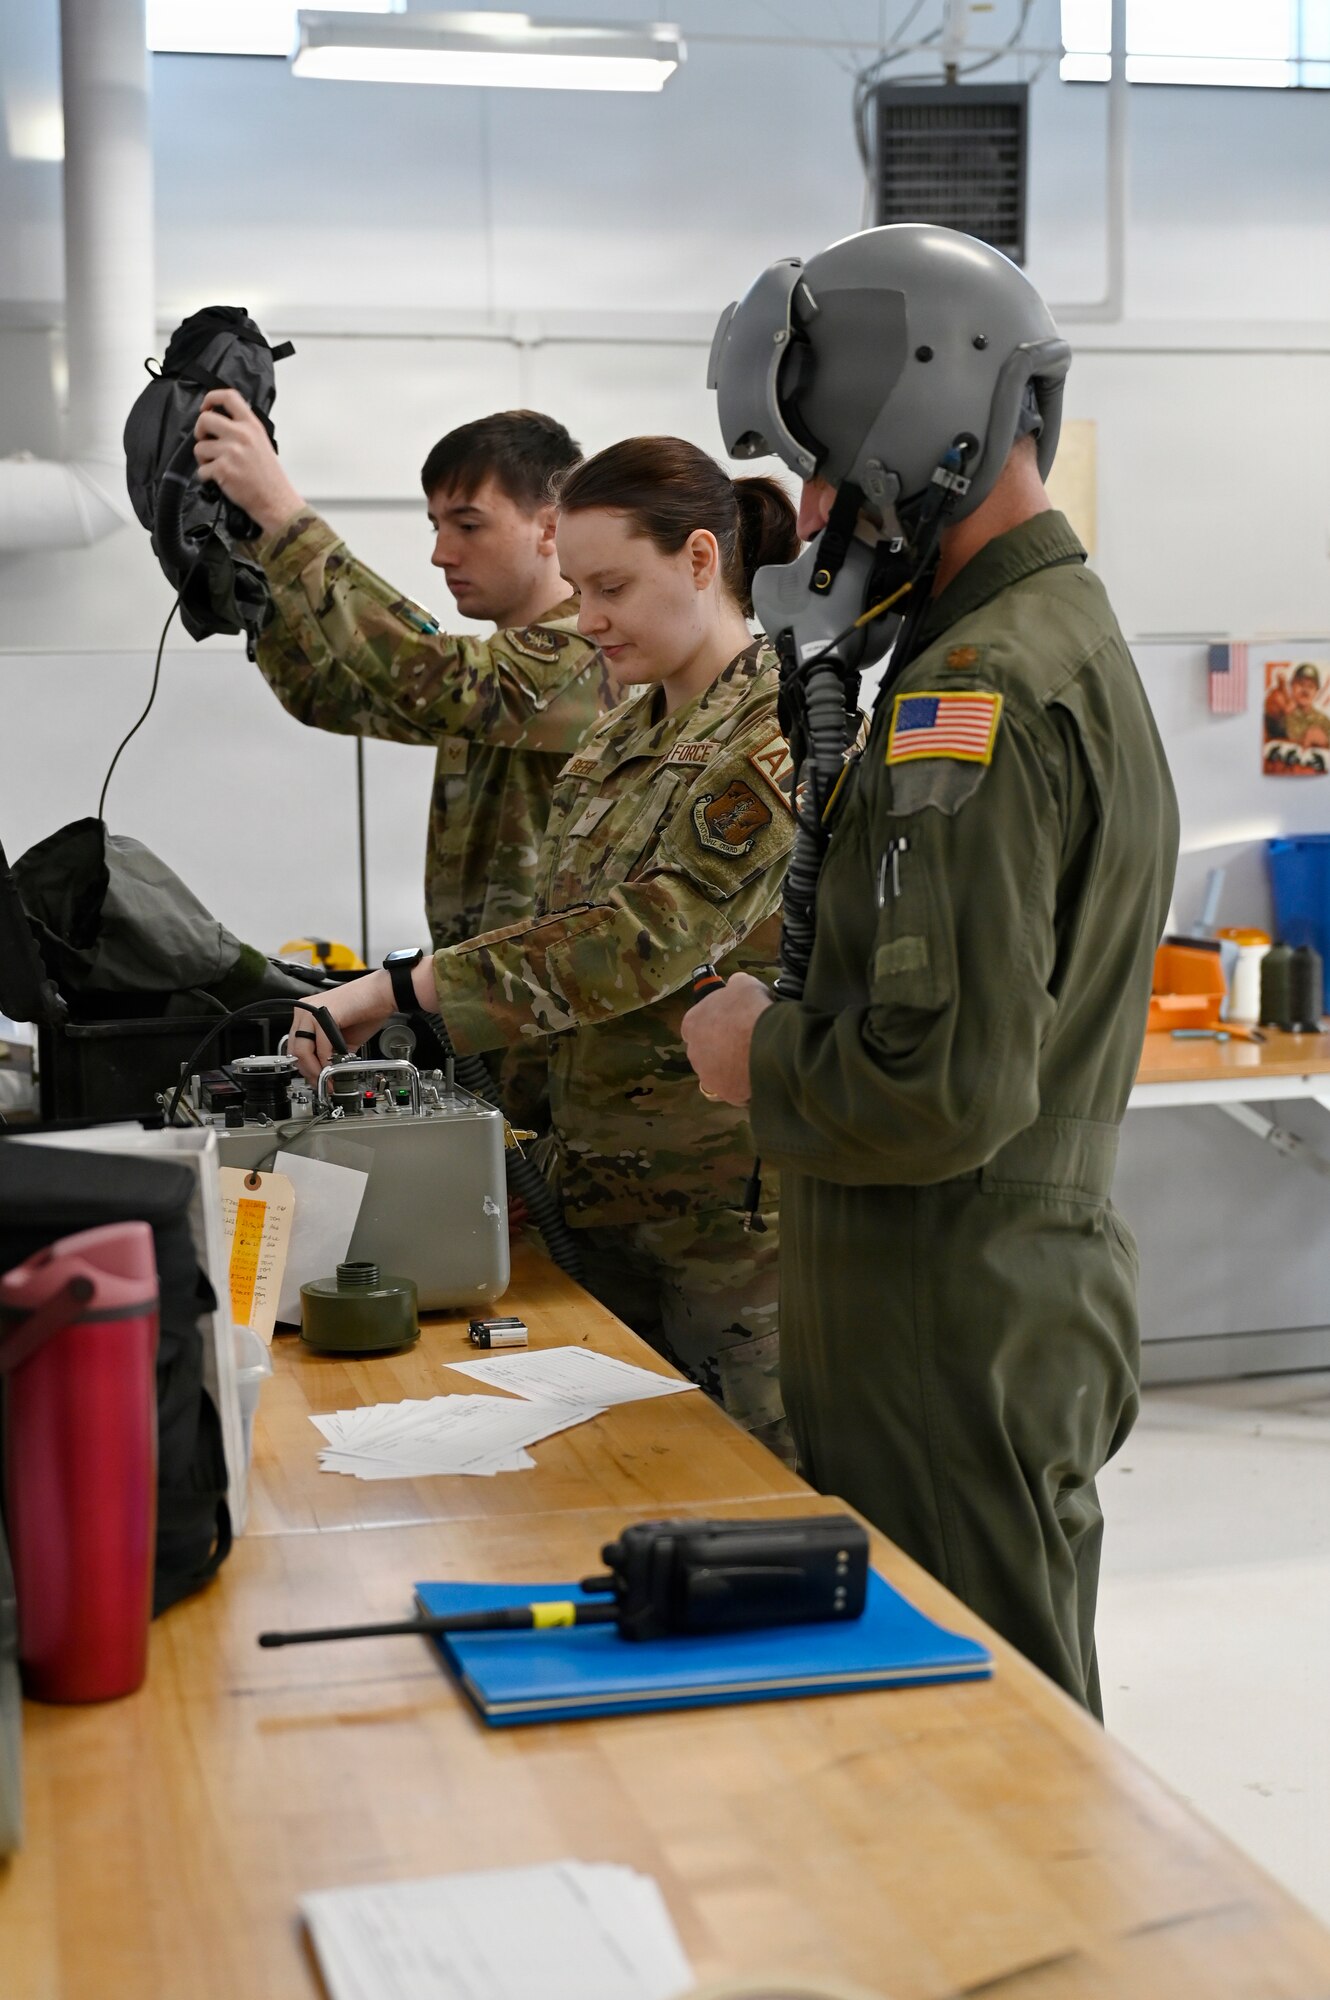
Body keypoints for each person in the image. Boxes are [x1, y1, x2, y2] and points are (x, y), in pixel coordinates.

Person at [682, 224, 1180, 1711]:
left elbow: (945, 1089)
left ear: (912, 420)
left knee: (997, 1760)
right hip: (961, 1303)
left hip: (944, 1321)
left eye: (820, 472)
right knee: (951, 1759)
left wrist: (749, 1056)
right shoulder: (1033, 643)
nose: (819, 516)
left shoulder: (973, 695)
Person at [287, 437, 801, 1451]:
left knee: (742, 1487)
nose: (589, 618)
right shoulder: (619, 730)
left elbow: (640, 938)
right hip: (592, 1191)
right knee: (603, 1480)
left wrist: (399, 990)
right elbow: (553, 926)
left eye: (611, 586)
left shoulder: (774, 730)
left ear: (702, 560)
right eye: (578, 588)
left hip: (718, 1223)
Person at [192, 399, 616, 949]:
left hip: (552, 1019)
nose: (442, 553)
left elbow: (439, 678)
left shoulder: (590, 652)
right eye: (436, 526)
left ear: (549, 527)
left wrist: (282, 516)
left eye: (468, 524)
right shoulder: (505, 671)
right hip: (488, 1006)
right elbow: (327, 694)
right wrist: (253, 561)